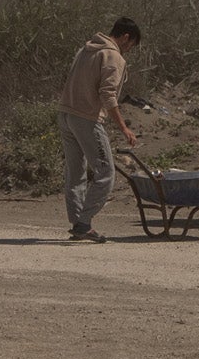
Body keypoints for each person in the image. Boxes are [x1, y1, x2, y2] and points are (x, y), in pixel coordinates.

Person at [57, 17, 143, 241]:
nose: (129, 50)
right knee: (106, 173)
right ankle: (84, 223)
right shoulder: (113, 56)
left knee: (75, 173)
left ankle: (79, 224)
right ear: (126, 37)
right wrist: (124, 128)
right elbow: (108, 95)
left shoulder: (86, 49)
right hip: (86, 118)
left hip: (66, 115)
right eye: (131, 45)